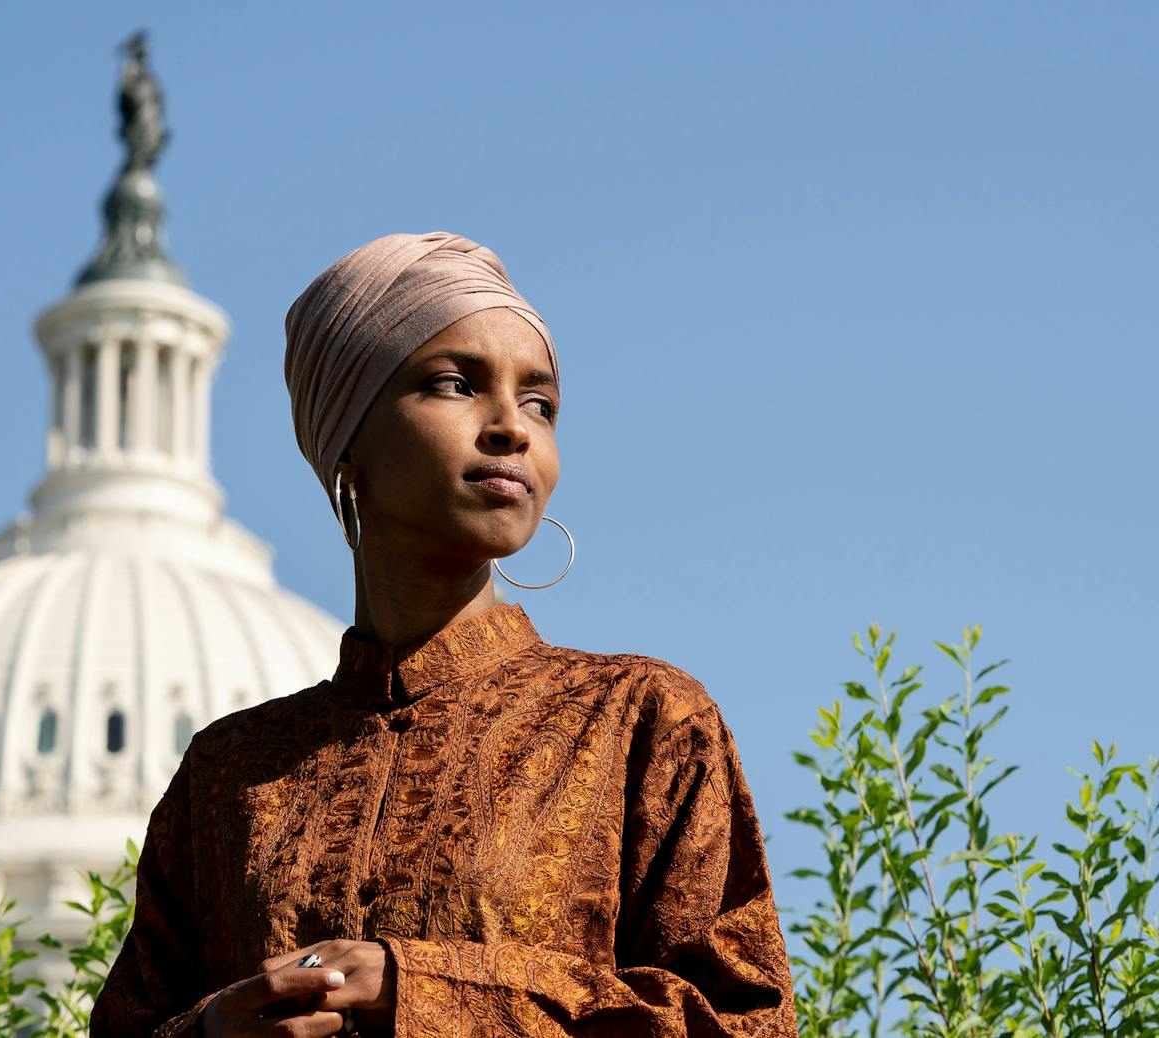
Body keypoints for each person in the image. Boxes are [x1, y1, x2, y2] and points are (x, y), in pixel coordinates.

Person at [90, 232, 797, 1038]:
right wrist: (217, 1030)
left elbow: (747, 1023)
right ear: (346, 437)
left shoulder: (642, 721)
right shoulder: (230, 776)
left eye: (541, 403)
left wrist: (417, 988)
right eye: (454, 383)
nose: (512, 428)